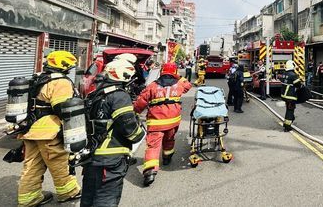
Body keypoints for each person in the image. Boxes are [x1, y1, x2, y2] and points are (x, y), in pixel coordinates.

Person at [16, 50, 82, 207]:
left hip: (31, 129)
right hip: (49, 130)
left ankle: (28, 199)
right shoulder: (61, 82)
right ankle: (68, 192)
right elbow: (62, 108)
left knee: (32, 165)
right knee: (58, 162)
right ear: (64, 66)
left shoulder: (39, 78)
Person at [81, 59, 145, 207]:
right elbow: (130, 129)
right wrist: (140, 133)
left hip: (91, 156)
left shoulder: (95, 93)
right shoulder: (119, 96)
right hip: (110, 159)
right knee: (106, 198)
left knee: (88, 198)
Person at [134, 62, 192, 186]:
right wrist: (179, 77)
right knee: (169, 140)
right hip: (173, 121)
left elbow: (140, 102)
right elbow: (188, 85)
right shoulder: (179, 85)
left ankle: (150, 172)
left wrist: (135, 112)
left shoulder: (152, 86)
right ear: (175, 73)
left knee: (153, 146)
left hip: (156, 122)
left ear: (161, 72)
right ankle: (167, 158)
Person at [281, 60, 303, 132]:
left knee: (289, 109)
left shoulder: (284, 73)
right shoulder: (293, 75)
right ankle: (287, 126)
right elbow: (298, 85)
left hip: (284, 95)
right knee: (290, 110)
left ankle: (291, 119)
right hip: (290, 96)